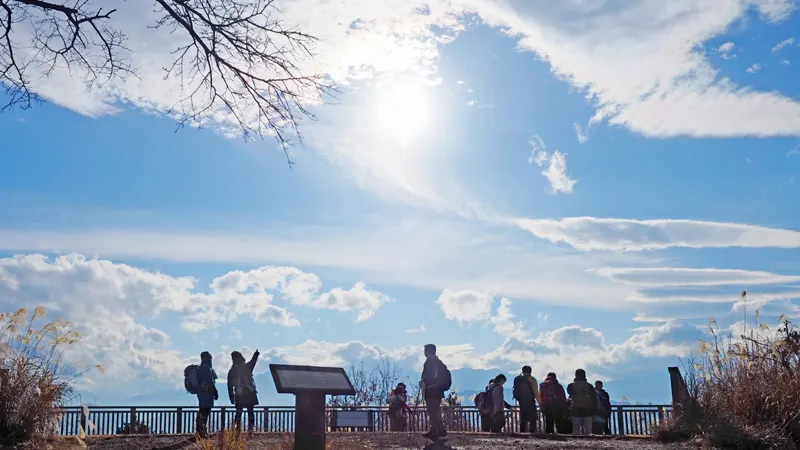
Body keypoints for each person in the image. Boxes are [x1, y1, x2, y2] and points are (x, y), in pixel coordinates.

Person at [420, 344, 450, 439]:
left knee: (431, 410)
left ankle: (440, 430)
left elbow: (428, 377)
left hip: (432, 390)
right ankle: (433, 430)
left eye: (425, 350)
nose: (424, 352)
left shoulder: (430, 362)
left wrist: (424, 381)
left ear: (428, 351)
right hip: (438, 390)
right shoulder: (439, 363)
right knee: (435, 410)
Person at [227, 349, 260, 433]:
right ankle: (250, 431)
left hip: (239, 394)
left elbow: (229, 385)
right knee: (250, 413)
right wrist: (256, 354)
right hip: (250, 393)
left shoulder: (232, 371)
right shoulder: (247, 366)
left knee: (238, 413)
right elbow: (253, 361)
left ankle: (237, 431)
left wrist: (231, 397)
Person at [567, 369, 597, 436]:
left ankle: (576, 445)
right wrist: (594, 410)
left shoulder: (571, 386)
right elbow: (594, 399)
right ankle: (590, 445)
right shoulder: (589, 386)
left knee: (576, 430)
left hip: (575, 410)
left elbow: (570, 395)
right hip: (588, 410)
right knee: (588, 432)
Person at [196, 351, 219, 437]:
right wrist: (215, 392)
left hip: (201, 392)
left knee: (202, 410)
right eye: (209, 357)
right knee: (205, 411)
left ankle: (200, 430)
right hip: (207, 392)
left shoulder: (201, 368)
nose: (211, 359)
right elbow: (210, 381)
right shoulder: (206, 368)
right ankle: (202, 431)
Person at [513, 366, 539, 434]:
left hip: (521, 401)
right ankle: (532, 432)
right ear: (530, 371)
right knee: (533, 418)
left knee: (523, 418)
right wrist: (540, 403)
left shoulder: (517, 379)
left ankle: (522, 433)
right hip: (530, 401)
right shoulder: (532, 379)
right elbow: (536, 392)